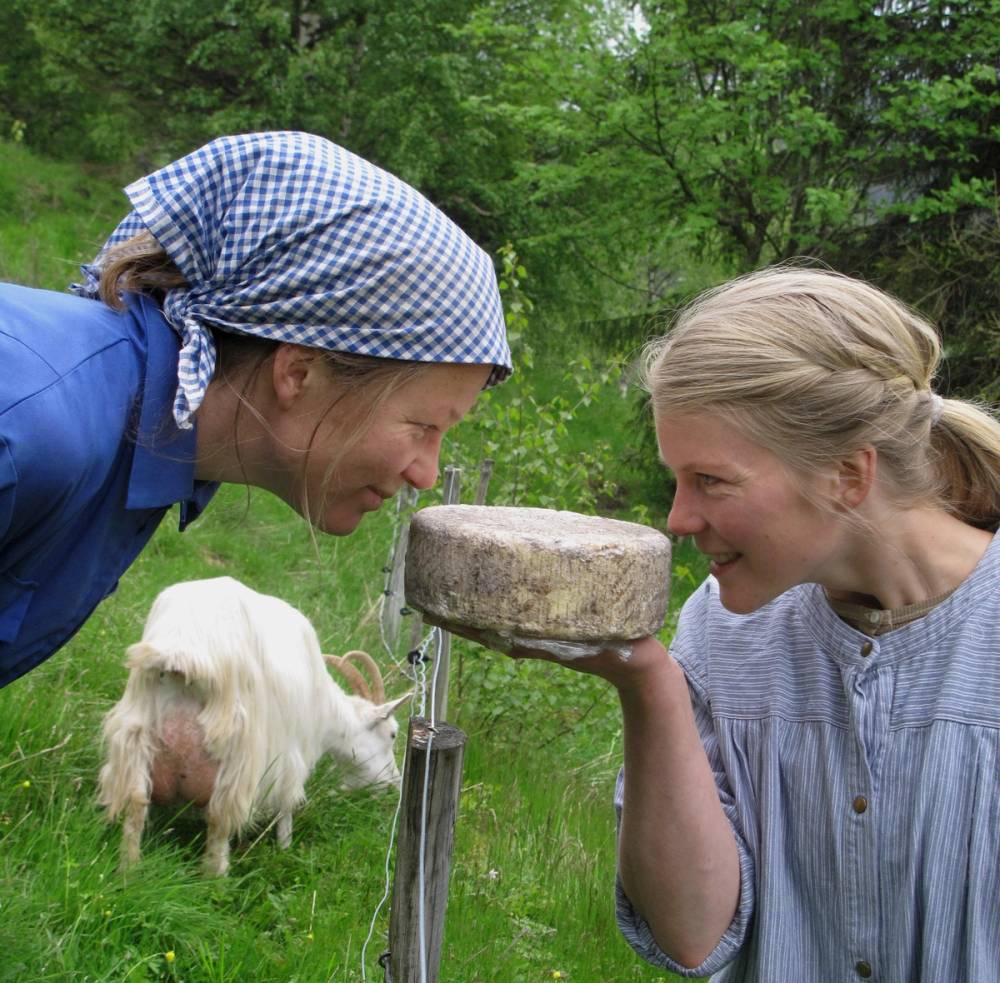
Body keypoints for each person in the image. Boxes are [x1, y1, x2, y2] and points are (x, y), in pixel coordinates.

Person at [459, 266, 1000, 981]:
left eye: (710, 480)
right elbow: (692, 934)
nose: (678, 519)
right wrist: (648, 681)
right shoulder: (718, 630)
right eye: (677, 479)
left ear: (847, 474)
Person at [0, 131, 511, 689]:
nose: (427, 474)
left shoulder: (134, 436)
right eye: (423, 426)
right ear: (298, 372)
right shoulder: (29, 434)